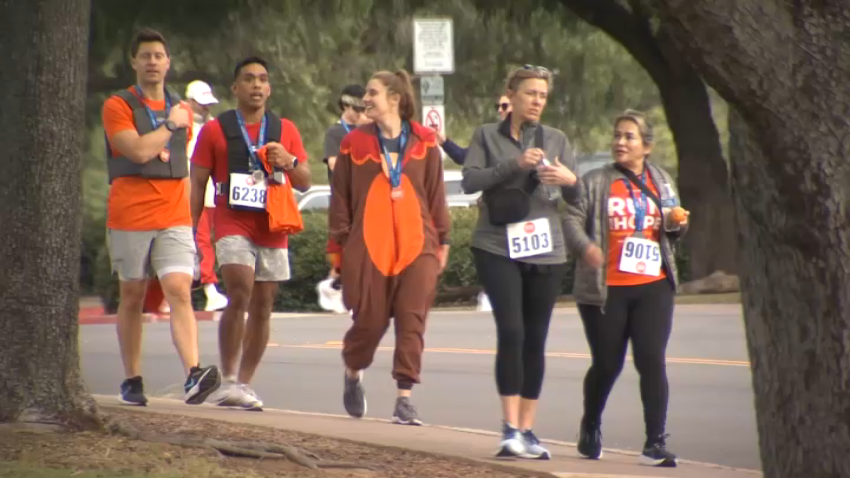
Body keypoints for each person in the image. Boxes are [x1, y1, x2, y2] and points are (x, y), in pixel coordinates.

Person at [461, 65, 580, 459]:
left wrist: (569, 181)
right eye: (530, 93)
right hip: (496, 245)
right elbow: (470, 181)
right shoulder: (486, 135)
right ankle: (509, 428)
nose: (537, 101)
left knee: (535, 338)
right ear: (510, 95)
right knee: (511, 331)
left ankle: (529, 430)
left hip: (546, 249)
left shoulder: (557, 139)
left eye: (543, 96)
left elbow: (578, 200)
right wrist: (517, 165)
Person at [101, 28, 221, 406]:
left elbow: (179, 166)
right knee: (133, 295)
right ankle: (132, 379)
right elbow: (137, 152)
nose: (153, 61)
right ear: (134, 62)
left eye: (159, 55)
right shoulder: (118, 105)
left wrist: (192, 217)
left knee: (180, 290)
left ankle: (193, 373)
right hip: (131, 214)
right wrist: (169, 124)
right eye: (146, 56)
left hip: (173, 215)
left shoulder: (181, 109)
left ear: (168, 63)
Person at [562, 110, 689, 467]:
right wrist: (586, 248)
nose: (620, 142)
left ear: (646, 146)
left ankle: (655, 443)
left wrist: (678, 223)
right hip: (606, 289)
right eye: (617, 135)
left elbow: (671, 231)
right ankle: (590, 424)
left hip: (653, 285)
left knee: (652, 360)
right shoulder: (595, 181)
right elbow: (570, 217)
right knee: (607, 364)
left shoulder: (662, 180)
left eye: (629, 137)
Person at [329, 69, 451, 426]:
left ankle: (404, 398)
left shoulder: (425, 141)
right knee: (369, 321)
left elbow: (435, 194)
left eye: (372, 93)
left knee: (412, 321)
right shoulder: (354, 143)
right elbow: (341, 200)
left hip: (418, 245)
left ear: (395, 99)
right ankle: (353, 372)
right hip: (368, 246)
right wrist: (337, 248)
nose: (365, 100)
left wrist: (442, 239)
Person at [190, 56, 311, 411]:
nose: (256, 85)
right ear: (235, 88)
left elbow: (304, 182)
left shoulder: (284, 128)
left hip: (272, 223)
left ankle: (243, 383)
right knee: (240, 289)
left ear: (269, 88)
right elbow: (197, 182)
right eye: (248, 79)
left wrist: (288, 160)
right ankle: (227, 380)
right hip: (232, 220)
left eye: (262, 79)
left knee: (263, 305)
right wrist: (189, 229)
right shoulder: (215, 130)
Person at [318, 85, 368, 314]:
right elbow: (334, 165)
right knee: (345, 251)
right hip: (343, 202)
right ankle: (335, 286)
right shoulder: (336, 133)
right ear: (346, 106)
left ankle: (336, 287)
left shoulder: (366, 132)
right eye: (356, 109)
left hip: (363, 200)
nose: (361, 113)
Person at [185, 79, 229, 312]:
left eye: (207, 103)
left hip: (215, 193)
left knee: (211, 241)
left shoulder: (214, 126)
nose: (205, 107)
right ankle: (210, 290)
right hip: (193, 194)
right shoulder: (182, 126)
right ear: (190, 101)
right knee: (200, 241)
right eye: (201, 103)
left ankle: (203, 289)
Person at [432, 93, 512, 166]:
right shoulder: (490, 136)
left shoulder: (523, 136)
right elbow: (462, 157)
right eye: (497, 106)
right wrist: (445, 142)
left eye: (504, 106)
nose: (500, 110)